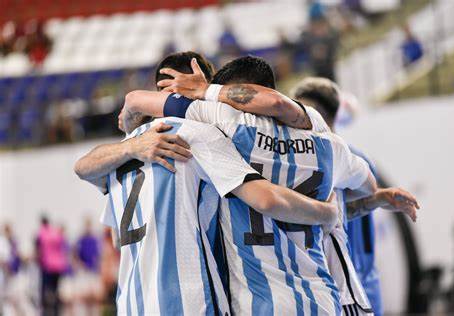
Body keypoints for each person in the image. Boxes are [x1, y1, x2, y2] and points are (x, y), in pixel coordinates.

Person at [75, 53, 339, 315]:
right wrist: (326, 212)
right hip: (191, 301)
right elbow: (265, 199)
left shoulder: (124, 153)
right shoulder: (199, 136)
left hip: (132, 304)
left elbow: (82, 169)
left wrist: (130, 140)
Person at [290, 77, 419, 315]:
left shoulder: (332, 159)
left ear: (314, 113)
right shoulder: (353, 158)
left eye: (296, 110)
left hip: (350, 281)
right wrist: (377, 200)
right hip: (356, 281)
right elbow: (342, 211)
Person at [36, 215, 69, 316]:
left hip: (47, 266)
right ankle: (56, 311)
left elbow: (39, 251)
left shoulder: (41, 234)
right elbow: (63, 249)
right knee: (56, 290)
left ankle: (47, 312)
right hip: (58, 266)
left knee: (46, 290)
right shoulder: (56, 234)